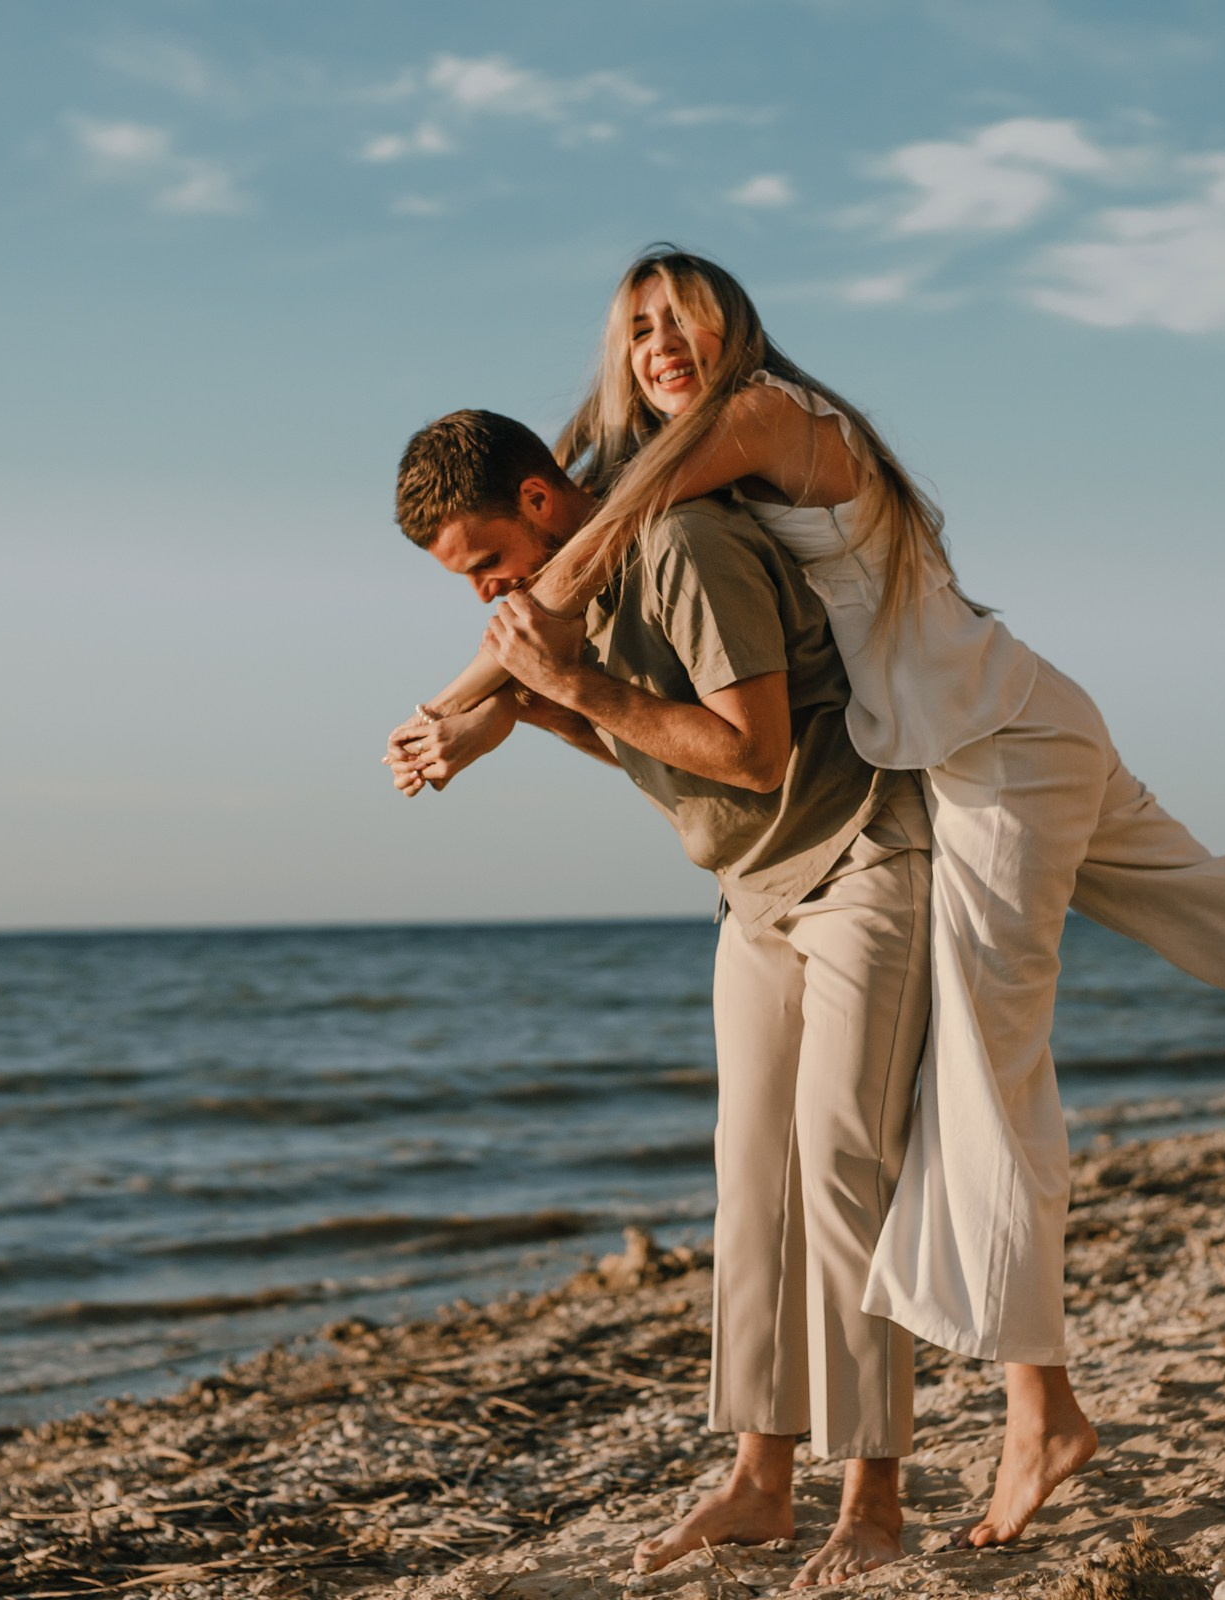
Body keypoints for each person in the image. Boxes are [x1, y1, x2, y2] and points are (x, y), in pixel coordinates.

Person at [386, 247, 1225, 1556]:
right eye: (634, 327)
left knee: (982, 1078)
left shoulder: (750, 423)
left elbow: (574, 576)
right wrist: (501, 701)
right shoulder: (662, 487)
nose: (656, 344)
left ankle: (1032, 1416)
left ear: (732, 325)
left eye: (678, 318)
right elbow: (574, 560)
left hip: (991, 751)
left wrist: (465, 700)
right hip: (990, 735)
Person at [392, 409, 938, 1588]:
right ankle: (759, 1481)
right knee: (753, 1187)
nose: (487, 591)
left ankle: (874, 1500)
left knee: (841, 1173)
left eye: (487, 560)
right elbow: (663, 750)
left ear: (542, 500)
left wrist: (574, 681)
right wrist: (546, 709)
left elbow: (752, 753)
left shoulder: (686, 546)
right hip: (753, 891)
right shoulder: (584, 594)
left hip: (858, 858)